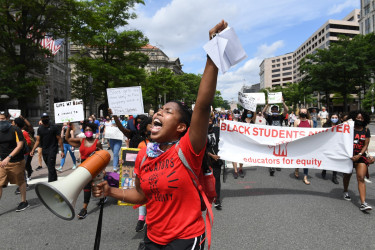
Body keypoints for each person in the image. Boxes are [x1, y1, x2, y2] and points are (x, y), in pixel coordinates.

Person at [92, 20, 227, 249]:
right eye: (159, 110)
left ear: (182, 127)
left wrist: (212, 53)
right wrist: (110, 190)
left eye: (168, 111)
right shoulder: (144, 156)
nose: (158, 113)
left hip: (185, 239)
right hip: (152, 239)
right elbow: (141, 196)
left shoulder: (187, 149)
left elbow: (203, 106)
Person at [65, 121, 103, 219]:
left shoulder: (97, 142)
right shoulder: (81, 141)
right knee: (86, 187)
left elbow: (102, 156)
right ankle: (84, 209)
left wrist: (103, 169)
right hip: (84, 168)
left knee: (97, 185)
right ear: (84, 131)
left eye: (90, 130)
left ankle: (103, 197)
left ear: (93, 131)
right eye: (86, 130)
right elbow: (67, 138)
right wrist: (69, 126)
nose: (88, 131)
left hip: (94, 166)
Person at [0, 111, 29, 211]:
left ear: (8, 118)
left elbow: (20, 145)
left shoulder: (15, 129)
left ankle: (24, 201)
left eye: (3, 119)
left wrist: (9, 157)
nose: (1, 121)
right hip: (1, 162)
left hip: (16, 160)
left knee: (20, 181)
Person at [343, 111, 372, 211]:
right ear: (354, 118)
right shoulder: (349, 129)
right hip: (349, 156)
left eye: (361, 118)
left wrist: (359, 155)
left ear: (364, 119)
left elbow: (365, 145)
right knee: (347, 175)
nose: (359, 120)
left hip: (360, 156)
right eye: (357, 118)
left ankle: (363, 203)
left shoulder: (366, 130)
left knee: (360, 177)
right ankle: (345, 191)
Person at [30, 113, 64, 182]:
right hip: (44, 150)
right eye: (43, 118)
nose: (45, 119)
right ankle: (55, 179)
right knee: (50, 166)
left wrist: (62, 151)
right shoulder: (40, 129)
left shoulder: (54, 127)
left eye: (46, 117)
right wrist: (33, 150)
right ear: (41, 119)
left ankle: (51, 182)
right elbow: (38, 140)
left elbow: (59, 139)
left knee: (51, 167)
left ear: (48, 118)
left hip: (52, 150)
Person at [262, 99, 289, 176]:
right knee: (271, 151)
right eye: (273, 109)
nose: (274, 110)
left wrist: (283, 102)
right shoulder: (269, 117)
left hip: (279, 137)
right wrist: (267, 104)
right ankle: (271, 166)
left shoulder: (281, 117)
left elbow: (286, 110)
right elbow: (264, 112)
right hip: (271, 137)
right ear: (271, 111)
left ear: (277, 110)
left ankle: (277, 164)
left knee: (278, 151)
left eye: (275, 109)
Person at [207, 116, 223, 210]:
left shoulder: (217, 130)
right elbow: (200, 147)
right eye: (206, 121)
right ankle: (204, 197)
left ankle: (217, 200)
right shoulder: (200, 132)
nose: (208, 122)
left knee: (217, 179)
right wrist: (210, 155)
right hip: (206, 159)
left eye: (210, 120)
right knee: (206, 179)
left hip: (217, 159)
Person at [294, 108, 313, 185]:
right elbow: (294, 133)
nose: (303, 113)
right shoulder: (297, 121)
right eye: (302, 112)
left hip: (307, 144)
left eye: (304, 112)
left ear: (307, 113)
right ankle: (297, 169)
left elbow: (312, 132)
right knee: (299, 158)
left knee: (306, 160)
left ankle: (305, 177)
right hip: (299, 144)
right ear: (299, 113)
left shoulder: (310, 121)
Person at [321, 113, 340, 184]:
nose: (334, 119)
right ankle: (324, 169)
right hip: (327, 145)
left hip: (336, 146)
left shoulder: (340, 126)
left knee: (335, 161)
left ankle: (334, 176)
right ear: (330, 118)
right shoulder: (326, 125)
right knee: (327, 158)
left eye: (336, 117)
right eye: (333, 117)